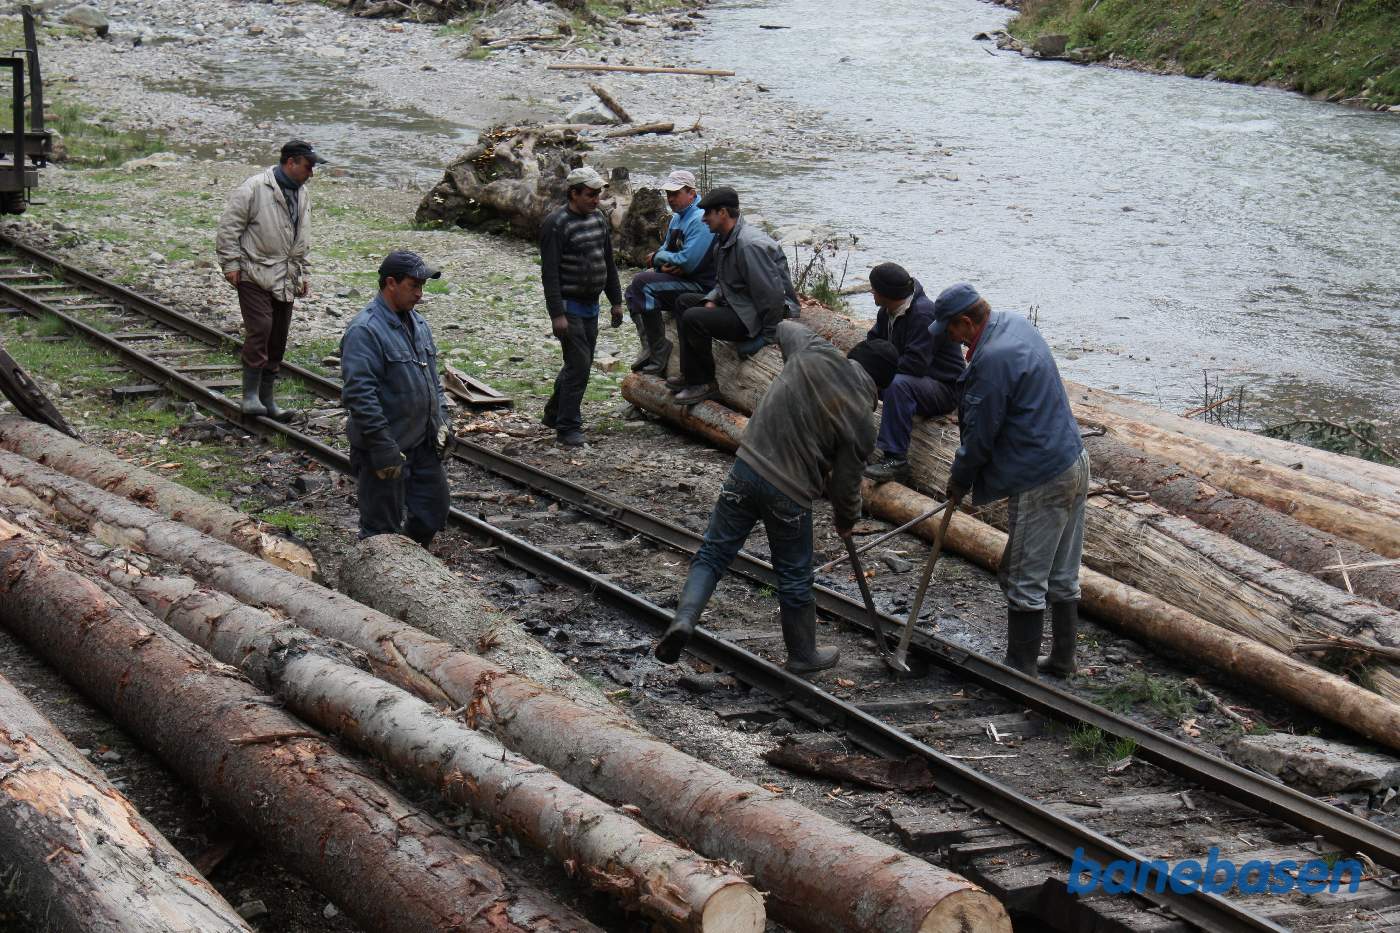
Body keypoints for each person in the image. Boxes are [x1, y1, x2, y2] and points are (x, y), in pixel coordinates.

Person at [653, 320, 900, 674]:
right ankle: (803, 655)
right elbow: (846, 485)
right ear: (881, 387)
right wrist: (846, 520)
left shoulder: (814, 350)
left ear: (852, 355)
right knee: (795, 577)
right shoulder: (862, 419)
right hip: (790, 493)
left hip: (745, 469)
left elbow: (784, 326)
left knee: (713, 552)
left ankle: (684, 620)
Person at [930, 283, 1089, 677]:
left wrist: (959, 479)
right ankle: (1063, 660)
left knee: (1022, 576)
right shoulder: (1014, 323)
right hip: (1073, 460)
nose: (949, 338)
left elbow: (980, 434)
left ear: (966, 323)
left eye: (950, 330)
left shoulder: (992, 361)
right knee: (1062, 574)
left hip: (1041, 476)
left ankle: (1020, 671)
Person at [340, 251, 452, 548]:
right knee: (381, 531)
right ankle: (378, 580)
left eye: (422, 287)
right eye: (413, 286)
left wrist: (443, 422)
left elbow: (432, 382)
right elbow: (360, 395)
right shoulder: (365, 330)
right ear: (391, 283)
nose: (419, 294)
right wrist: (381, 445)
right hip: (386, 448)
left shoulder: (419, 325)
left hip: (422, 444)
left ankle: (411, 565)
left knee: (432, 512)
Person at [216, 139, 325, 420]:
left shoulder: (302, 194)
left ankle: (267, 398)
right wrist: (230, 264)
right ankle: (250, 395)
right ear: (290, 162)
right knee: (261, 329)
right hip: (254, 270)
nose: (311, 173)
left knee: (278, 335)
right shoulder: (254, 188)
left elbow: (303, 239)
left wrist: (303, 273)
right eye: (308, 166)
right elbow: (229, 227)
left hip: (286, 274)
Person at [669, 186, 799, 406]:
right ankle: (690, 374)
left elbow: (772, 295)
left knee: (693, 318)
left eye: (707, 214)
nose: (704, 220)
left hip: (757, 314)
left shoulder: (749, 245)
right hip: (743, 304)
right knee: (684, 302)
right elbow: (724, 281)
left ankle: (705, 383)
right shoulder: (723, 240)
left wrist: (767, 336)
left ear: (722, 213)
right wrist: (712, 298)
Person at [538, 165, 624, 447]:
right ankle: (568, 427)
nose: (595, 199)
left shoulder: (598, 218)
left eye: (598, 194)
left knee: (577, 364)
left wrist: (616, 301)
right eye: (589, 194)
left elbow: (608, 261)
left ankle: (554, 412)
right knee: (580, 365)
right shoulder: (556, 223)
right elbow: (549, 273)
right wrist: (557, 314)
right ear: (573, 193)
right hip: (569, 306)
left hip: (591, 305)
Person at [861, 262, 966, 484]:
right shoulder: (887, 312)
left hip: (943, 388)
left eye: (874, 288)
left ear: (886, 293)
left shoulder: (923, 314)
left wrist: (881, 379)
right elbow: (873, 344)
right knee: (862, 376)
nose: (872, 292)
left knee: (898, 385)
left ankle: (895, 460)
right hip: (914, 381)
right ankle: (853, 443)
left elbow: (915, 365)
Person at [623, 169, 715, 375]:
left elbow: (688, 262)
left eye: (675, 193)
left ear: (691, 193)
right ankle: (650, 345)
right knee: (632, 291)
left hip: (701, 285)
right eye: (668, 194)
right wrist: (662, 262)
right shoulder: (677, 218)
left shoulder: (700, 219)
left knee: (642, 283)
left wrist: (658, 259)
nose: (670, 198)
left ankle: (659, 349)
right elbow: (666, 249)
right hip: (680, 278)